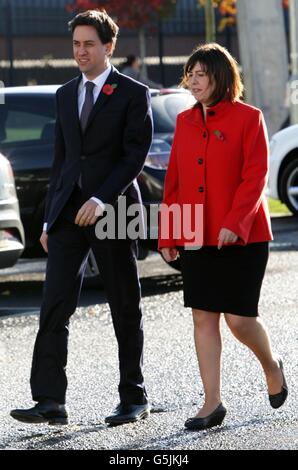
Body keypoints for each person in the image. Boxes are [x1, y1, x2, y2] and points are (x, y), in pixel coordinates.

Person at [10, 9, 153, 426]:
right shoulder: (63, 93)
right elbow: (63, 159)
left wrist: (102, 198)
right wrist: (47, 221)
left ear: (108, 47)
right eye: (76, 44)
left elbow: (134, 156)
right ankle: (50, 399)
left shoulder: (132, 93)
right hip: (67, 213)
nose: (81, 51)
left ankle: (134, 397)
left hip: (115, 208)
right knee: (54, 303)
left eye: (89, 44)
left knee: (124, 304)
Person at [159, 43, 288, 431]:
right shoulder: (183, 121)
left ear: (221, 77)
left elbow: (256, 176)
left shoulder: (250, 118)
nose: (194, 81)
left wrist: (236, 220)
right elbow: (174, 180)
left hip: (243, 236)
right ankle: (212, 402)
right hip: (197, 235)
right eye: (190, 74)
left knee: (239, 319)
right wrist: (170, 231)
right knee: (203, 316)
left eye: (201, 74)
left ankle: (271, 365)